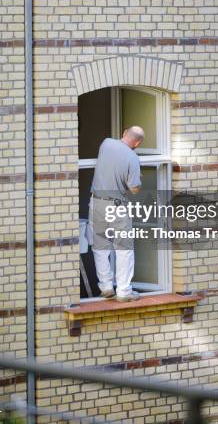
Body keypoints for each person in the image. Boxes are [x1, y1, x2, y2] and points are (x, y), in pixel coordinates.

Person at [88, 126, 144, 302]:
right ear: (138, 143)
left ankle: (105, 287)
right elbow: (134, 189)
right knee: (123, 249)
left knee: (100, 246)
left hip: (96, 202)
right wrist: (137, 177)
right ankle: (124, 291)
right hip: (117, 207)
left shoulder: (106, 143)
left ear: (124, 132)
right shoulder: (133, 158)